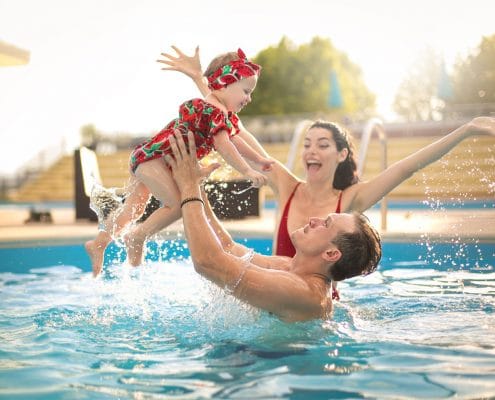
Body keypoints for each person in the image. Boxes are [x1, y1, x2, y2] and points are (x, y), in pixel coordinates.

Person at [158, 46, 495, 260]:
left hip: (312, 310)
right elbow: (234, 126)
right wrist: (200, 81)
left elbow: (406, 168)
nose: (310, 152)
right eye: (306, 144)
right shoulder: (287, 186)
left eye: (321, 145)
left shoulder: (349, 201)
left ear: (343, 154)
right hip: (270, 297)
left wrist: (464, 131)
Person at [85, 48, 273, 276]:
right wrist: (246, 170)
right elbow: (226, 146)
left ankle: (99, 243)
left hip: (149, 157)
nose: (249, 98)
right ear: (224, 83)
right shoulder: (212, 111)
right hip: (155, 160)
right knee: (177, 206)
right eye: (246, 91)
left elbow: (236, 140)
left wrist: (260, 159)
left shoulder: (219, 112)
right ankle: (137, 237)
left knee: (134, 208)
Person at [165, 130, 382, 322]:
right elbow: (227, 249)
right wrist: (196, 186)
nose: (314, 220)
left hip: (270, 362)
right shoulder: (289, 266)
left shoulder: (302, 293)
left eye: (326, 224)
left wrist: (188, 186)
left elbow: (208, 263)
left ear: (331, 253)